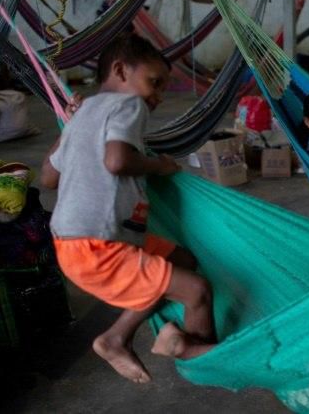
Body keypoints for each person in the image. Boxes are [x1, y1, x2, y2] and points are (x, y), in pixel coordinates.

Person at [40, 34, 213, 383]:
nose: (158, 96)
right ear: (120, 70)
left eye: (163, 89)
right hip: (97, 245)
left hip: (76, 243)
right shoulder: (127, 105)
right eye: (154, 82)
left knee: (182, 261)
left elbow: (47, 177)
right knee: (197, 291)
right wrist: (160, 166)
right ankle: (198, 357)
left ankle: (134, 337)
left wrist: (69, 127)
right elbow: (118, 160)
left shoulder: (84, 113)